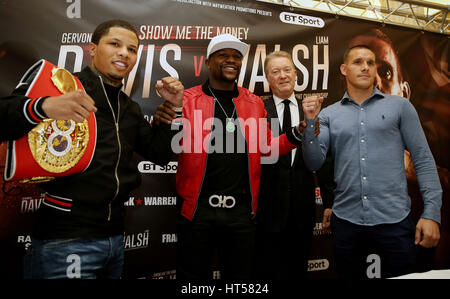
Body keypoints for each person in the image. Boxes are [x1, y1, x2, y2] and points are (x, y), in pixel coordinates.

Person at [1, 19, 183, 279]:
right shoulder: (62, 88)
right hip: (66, 239)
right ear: (93, 49)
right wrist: (43, 107)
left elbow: (161, 154)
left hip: (115, 239)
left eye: (132, 49)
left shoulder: (129, 108)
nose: (124, 53)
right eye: (115, 44)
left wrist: (170, 113)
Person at [155, 34, 306, 279]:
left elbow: (267, 149)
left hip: (241, 214)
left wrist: (297, 134)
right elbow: (164, 148)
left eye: (236, 56)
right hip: (197, 213)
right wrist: (173, 108)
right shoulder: (188, 99)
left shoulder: (254, 102)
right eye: (223, 54)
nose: (231, 60)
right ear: (208, 62)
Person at [301, 45, 442, 278]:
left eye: (370, 62)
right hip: (347, 223)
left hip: (394, 222)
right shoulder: (328, 115)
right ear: (344, 69)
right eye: (357, 62)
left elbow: (423, 159)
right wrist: (309, 124)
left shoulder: (400, 107)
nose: (365, 67)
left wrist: (431, 213)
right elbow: (314, 162)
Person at [255, 50, 334, 279]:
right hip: (266, 212)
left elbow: (325, 161)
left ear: (296, 74)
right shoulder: (258, 110)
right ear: (268, 79)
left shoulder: (312, 112)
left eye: (287, 70)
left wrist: (329, 201)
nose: (282, 76)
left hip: (302, 210)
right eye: (275, 71)